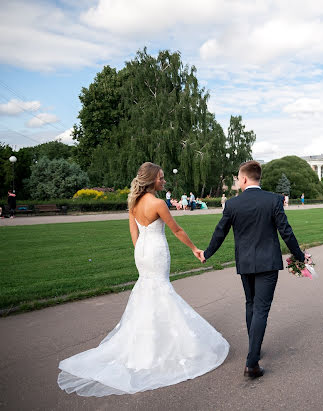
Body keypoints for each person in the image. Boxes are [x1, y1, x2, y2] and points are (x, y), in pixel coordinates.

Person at [57, 162, 228, 397]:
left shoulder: (133, 202)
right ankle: (166, 345)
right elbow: (176, 230)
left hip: (143, 252)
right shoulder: (158, 204)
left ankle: (148, 340)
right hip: (157, 250)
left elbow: (133, 231)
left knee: (148, 291)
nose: (164, 181)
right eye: (161, 178)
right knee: (161, 290)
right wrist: (194, 249)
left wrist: (140, 251)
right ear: (151, 180)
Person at [201, 160, 309, 379]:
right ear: (258, 177)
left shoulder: (232, 204)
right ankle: (252, 362)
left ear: (243, 178)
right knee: (261, 308)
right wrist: (300, 256)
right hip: (267, 263)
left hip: (246, 263)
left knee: (251, 304)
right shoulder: (273, 200)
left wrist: (207, 253)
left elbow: (220, 232)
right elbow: (285, 232)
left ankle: (254, 350)